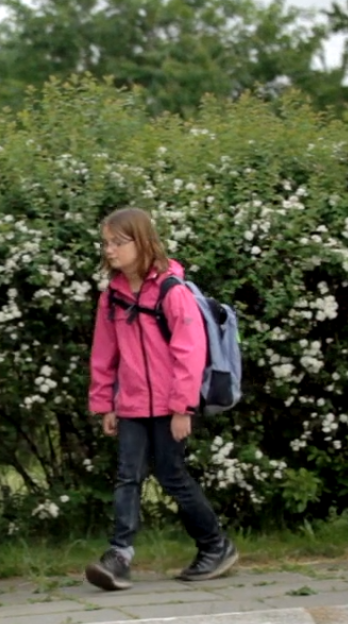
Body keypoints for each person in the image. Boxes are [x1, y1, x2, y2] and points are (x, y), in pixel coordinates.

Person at [85, 206, 238, 591]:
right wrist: (105, 404)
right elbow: (104, 354)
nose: (109, 250)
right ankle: (119, 556)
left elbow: (190, 351)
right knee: (127, 476)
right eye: (106, 243)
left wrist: (182, 408)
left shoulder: (172, 291)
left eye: (118, 242)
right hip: (132, 405)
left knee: (172, 476)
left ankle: (215, 545)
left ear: (142, 242)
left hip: (172, 406)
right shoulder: (112, 297)